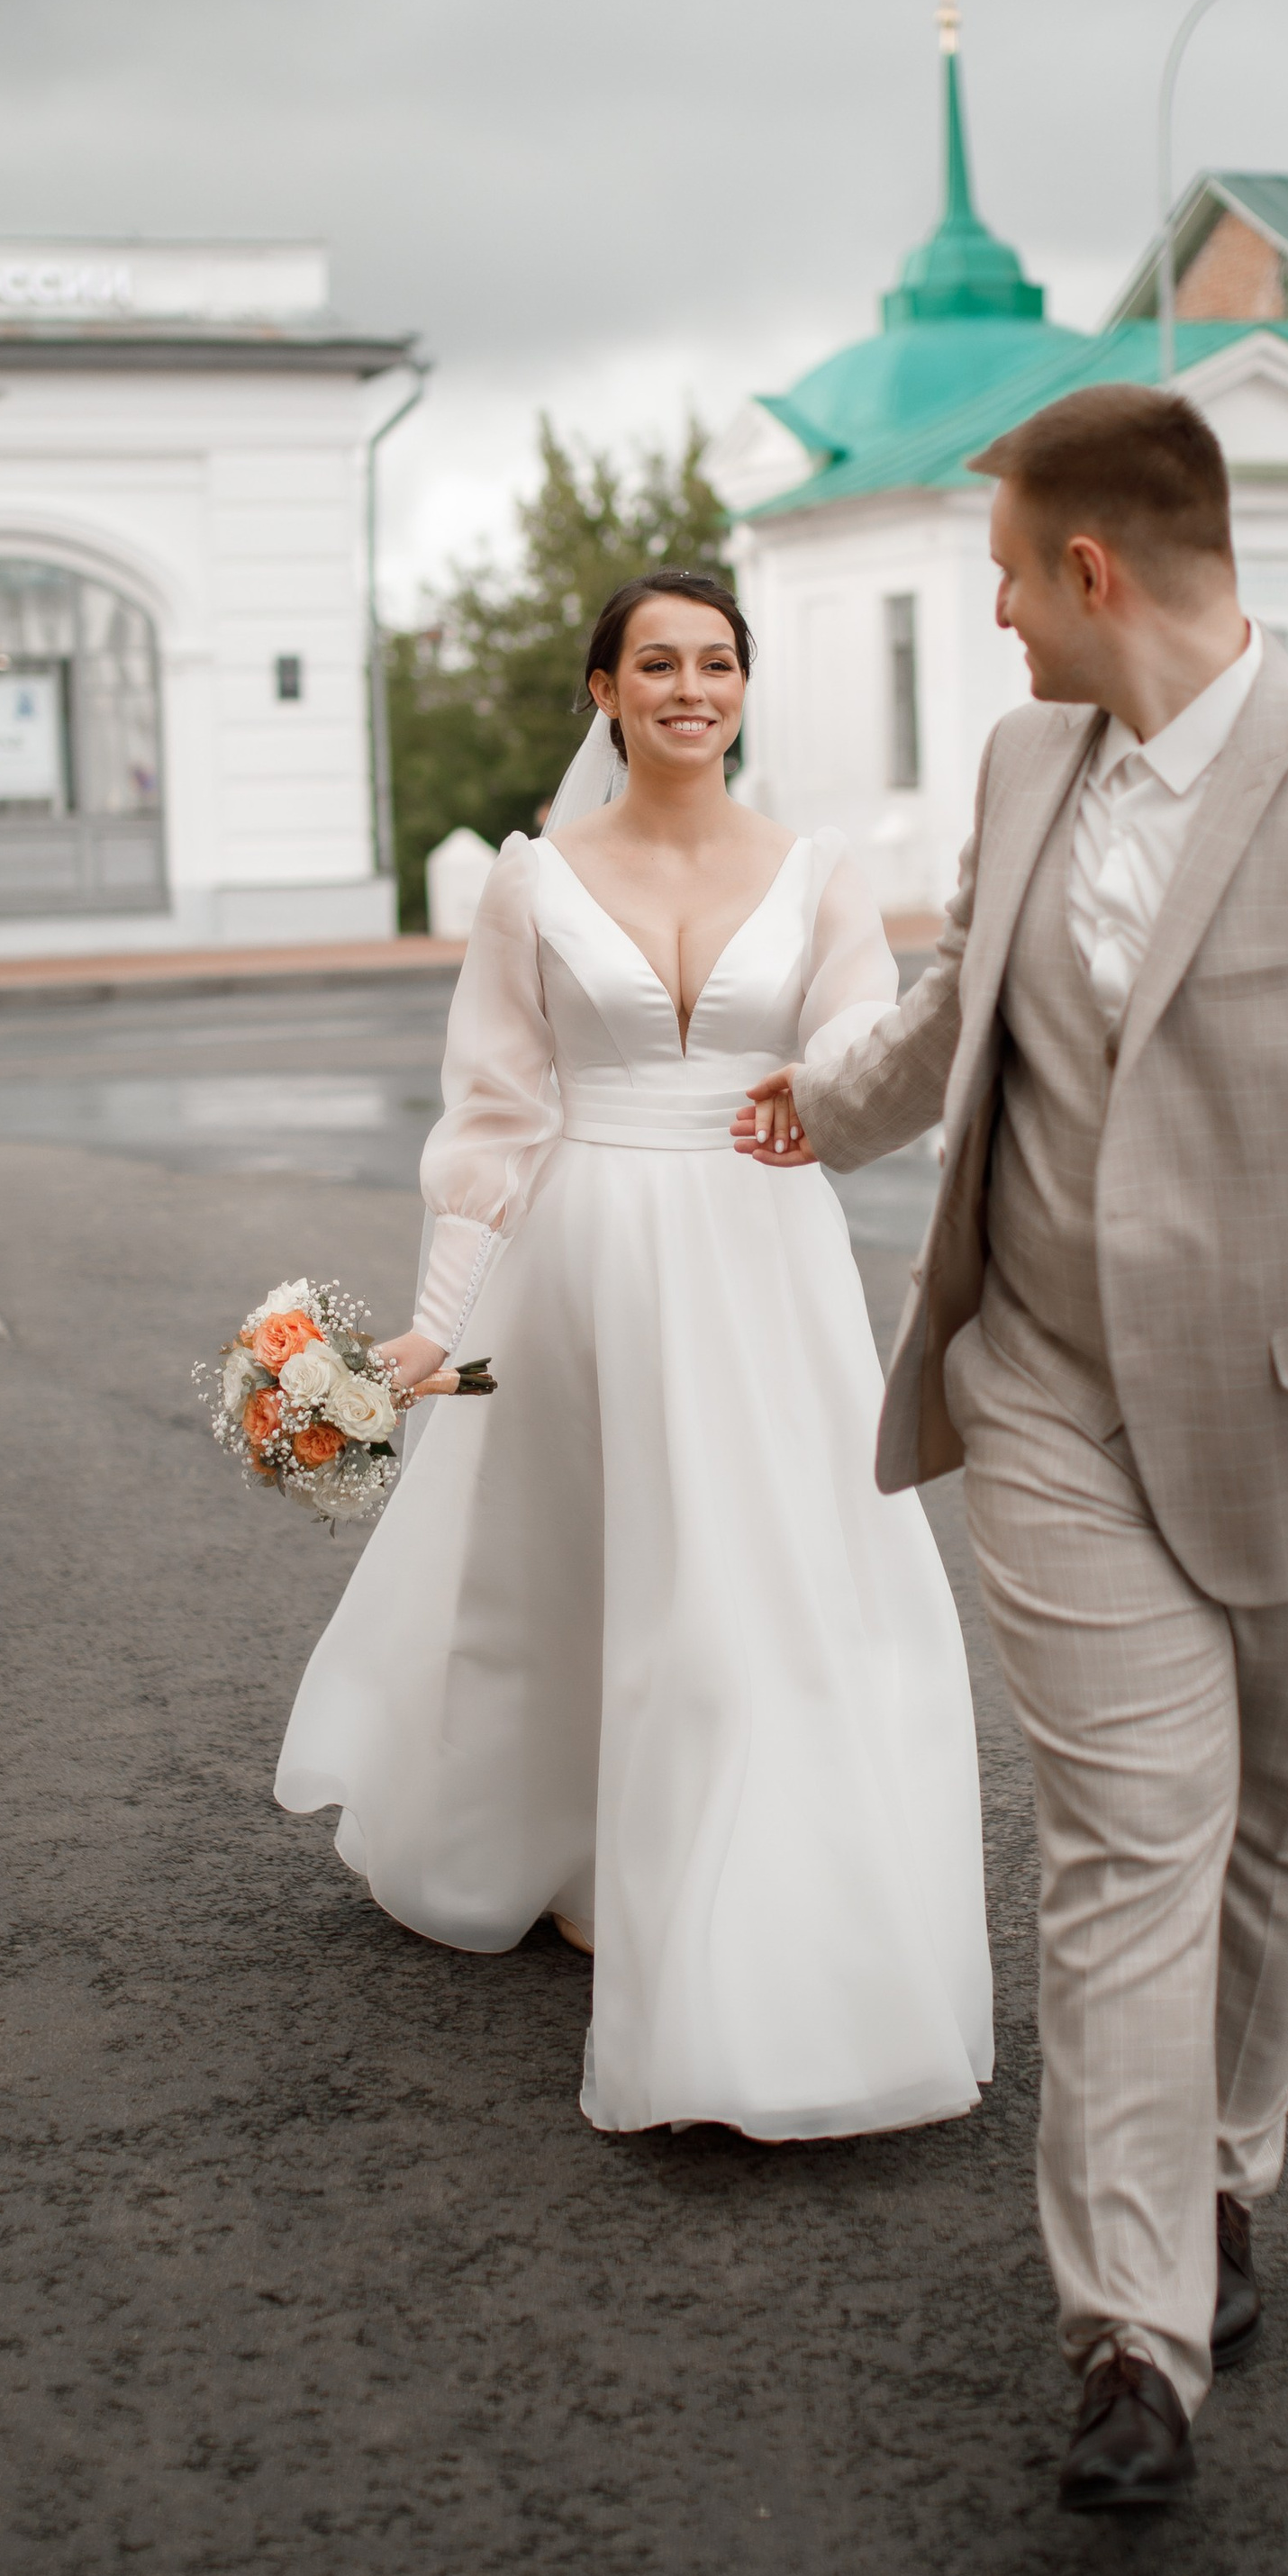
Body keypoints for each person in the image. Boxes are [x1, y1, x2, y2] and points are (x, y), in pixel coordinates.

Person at [738, 386, 1288, 2506]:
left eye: (1008, 573)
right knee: (1129, 1844)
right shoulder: (1027, 760)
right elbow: (958, 1004)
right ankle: (1129, 2332)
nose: (998, 620)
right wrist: (816, 1108)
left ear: (1089, 570)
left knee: (1282, 1841)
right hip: (1041, 1384)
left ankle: (1215, 2173)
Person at [275, 567, 993, 2142]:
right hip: (579, 1262)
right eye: (656, 662)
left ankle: (745, 1891)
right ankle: (575, 1849)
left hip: (760, 1265)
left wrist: (835, 1098)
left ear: (745, 688)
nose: (691, 687)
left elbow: (869, 1065)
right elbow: (497, 1111)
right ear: (603, 690)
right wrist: (434, 1324)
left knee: (747, 1581)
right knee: (567, 1568)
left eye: (718, 662)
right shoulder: (533, 881)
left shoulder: (822, 875)